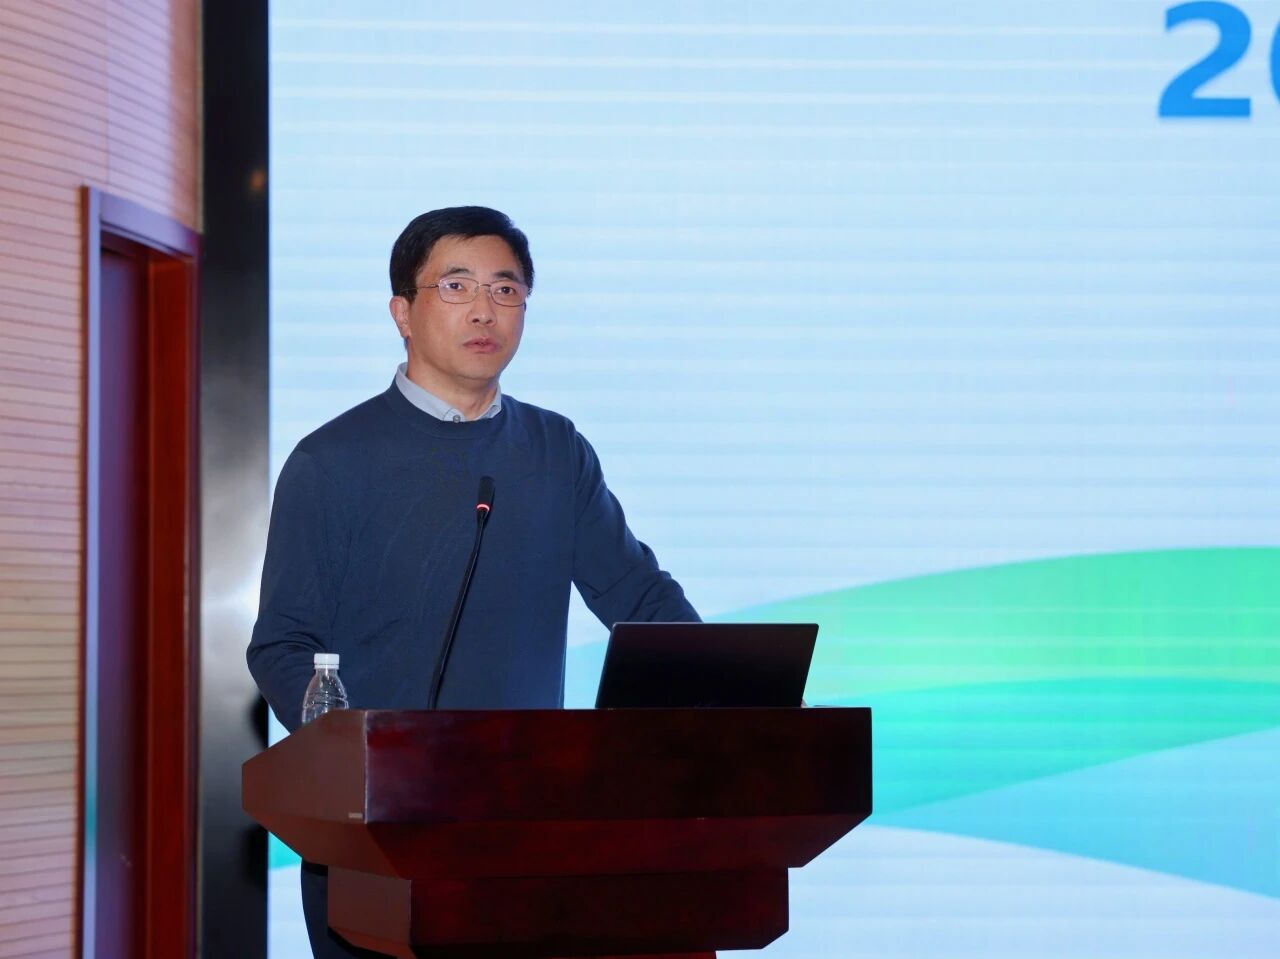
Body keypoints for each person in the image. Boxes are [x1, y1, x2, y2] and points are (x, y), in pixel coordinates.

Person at [246, 205, 699, 958]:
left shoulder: (555, 449)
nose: (485, 309)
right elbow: (283, 644)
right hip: (379, 840)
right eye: (456, 286)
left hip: (525, 826)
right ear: (402, 311)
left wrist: (729, 690)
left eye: (506, 289)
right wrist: (354, 759)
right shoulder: (332, 460)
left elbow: (639, 596)